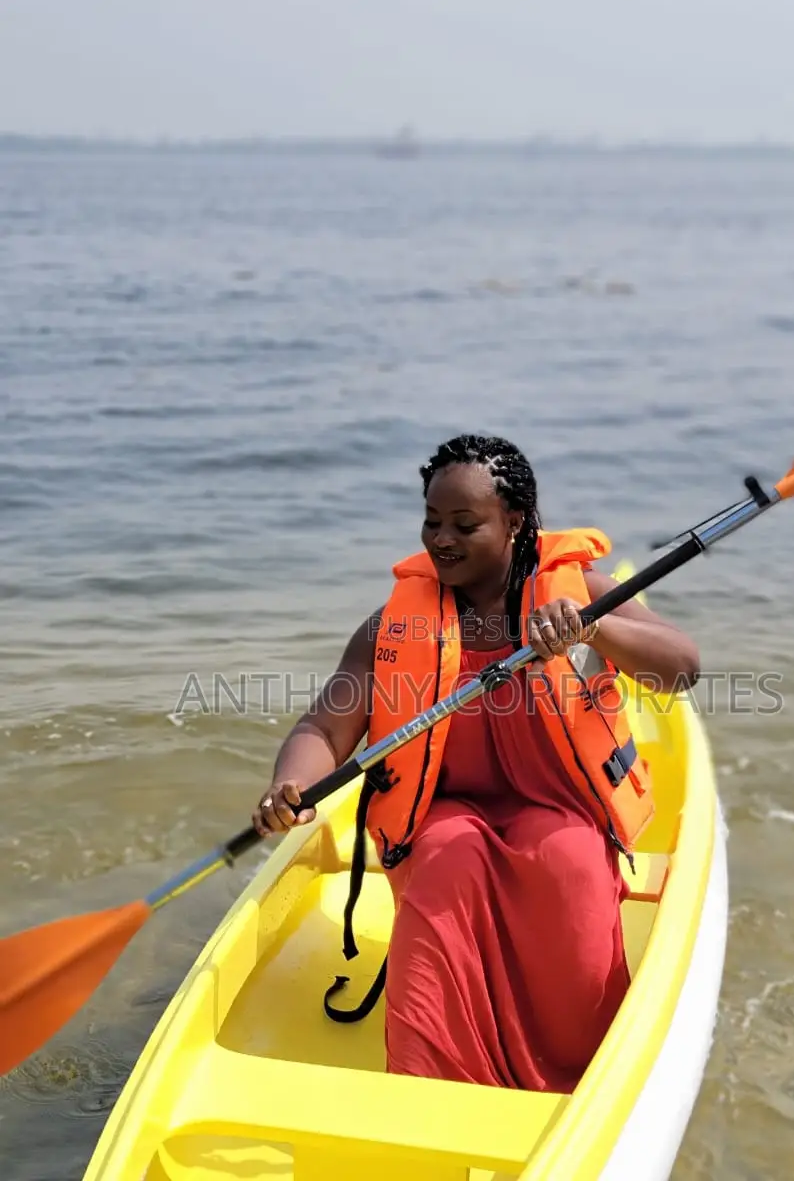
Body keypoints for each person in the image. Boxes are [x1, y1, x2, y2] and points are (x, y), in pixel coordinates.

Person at [252, 433, 700, 1093]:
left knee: (568, 860)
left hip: (559, 810)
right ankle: (431, 1089)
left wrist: (594, 628)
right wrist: (290, 783)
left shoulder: (581, 594)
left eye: (464, 525)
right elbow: (323, 724)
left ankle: (577, 1085)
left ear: (514, 523)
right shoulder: (393, 624)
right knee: (447, 858)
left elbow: (682, 669)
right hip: (444, 816)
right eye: (432, 522)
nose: (441, 540)